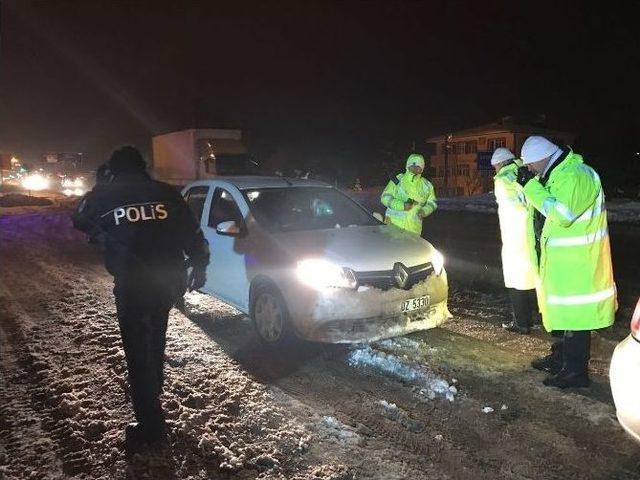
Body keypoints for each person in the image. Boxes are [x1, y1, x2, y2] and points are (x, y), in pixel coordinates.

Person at [72, 146, 210, 448]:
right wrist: (200, 265)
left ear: (113, 169)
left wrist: (101, 188)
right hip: (167, 281)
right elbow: (193, 231)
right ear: (143, 166)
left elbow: (79, 219)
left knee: (137, 349)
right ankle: (153, 391)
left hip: (133, 283)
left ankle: (150, 425)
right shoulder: (167, 192)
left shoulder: (103, 195)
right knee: (155, 336)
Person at [516, 136, 615, 388]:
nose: (529, 169)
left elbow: (562, 215)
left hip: (579, 264)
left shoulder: (577, 175)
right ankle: (561, 358)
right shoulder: (555, 175)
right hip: (561, 263)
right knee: (560, 313)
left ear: (542, 157)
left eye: (530, 164)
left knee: (575, 317)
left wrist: (531, 188)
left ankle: (576, 372)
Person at [491, 147, 538, 334]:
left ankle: (521, 323)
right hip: (533, 234)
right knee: (532, 278)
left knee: (516, 280)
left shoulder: (503, 180)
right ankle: (535, 318)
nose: (495, 170)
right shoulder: (526, 172)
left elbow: (513, 210)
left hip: (515, 237)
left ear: (501, 163)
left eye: (495, 166)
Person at [380, 153, 437, 235]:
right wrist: (402, 205)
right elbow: (385, 197)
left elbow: (432, 203)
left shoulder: (427, 185)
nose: (415, 168)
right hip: (393, 228)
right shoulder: (398, 180)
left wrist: (424, 211)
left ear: (422, 168)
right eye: (412, 165)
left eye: (418, 166)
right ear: (407, 166)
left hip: (414, 231)